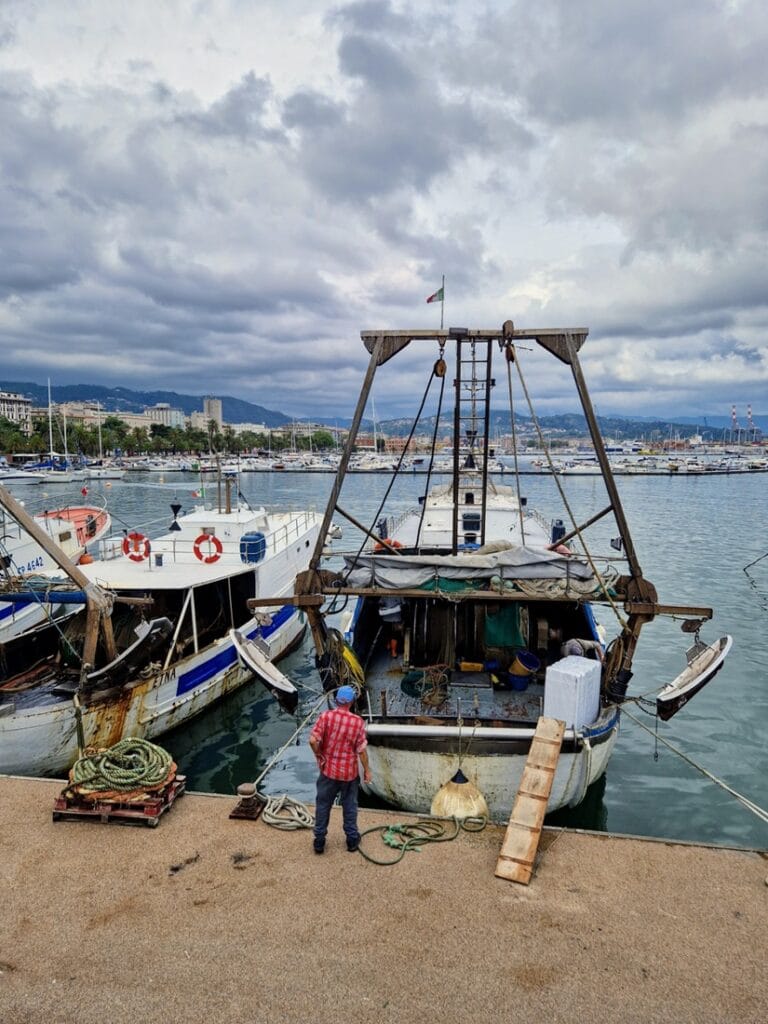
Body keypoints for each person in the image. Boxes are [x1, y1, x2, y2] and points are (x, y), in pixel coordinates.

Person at [309, 685, 372, 854]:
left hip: (328, 771)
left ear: (336, 700)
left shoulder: (325, 717)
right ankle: (352, 840)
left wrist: (319, 755)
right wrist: (367, 770)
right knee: (350, 806)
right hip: (349, 774)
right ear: (351, 702)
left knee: (323, 805)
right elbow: (362, 751)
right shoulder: (358, 723)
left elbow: (313, 740)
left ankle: (319, 841)